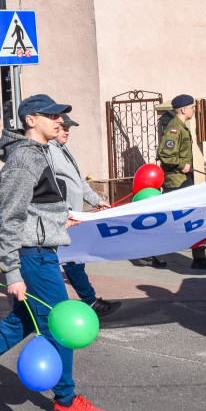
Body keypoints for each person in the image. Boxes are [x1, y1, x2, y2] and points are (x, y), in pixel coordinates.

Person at [0, 94, 108, 411]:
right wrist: (12, 272)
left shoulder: (40, 152)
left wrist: (60, 220)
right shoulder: (24, 159)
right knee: (61, 327)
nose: (59, 121)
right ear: (30, 120)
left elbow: (35, 208)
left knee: (24, 320)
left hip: (40, 251)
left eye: (60, 115)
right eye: (52, 115)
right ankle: (66, 401)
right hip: (33, 257)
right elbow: (8, 219)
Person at [49, 114, 121, 317]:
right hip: (61, 218)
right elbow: (50, 186)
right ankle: (87, 302)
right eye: (64, 128)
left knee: (74, 261)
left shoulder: (64, 149)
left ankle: (87, 301)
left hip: (73, 218)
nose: (67, 132)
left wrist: (96, 201)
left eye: (69, 128)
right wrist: (62, 211)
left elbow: (80, 181)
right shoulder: (48, 151)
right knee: (71, 262)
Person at [156, 94, 206, 270]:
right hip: (176, 182)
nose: (194, 110)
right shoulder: (174, 129)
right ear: (183, 110)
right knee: (177, 220)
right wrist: (181, 165)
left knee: (190, 218)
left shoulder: (181, 127)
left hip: (183, 181)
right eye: (192, 107)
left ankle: (199, 258)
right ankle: (148, 252)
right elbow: (165, 154)